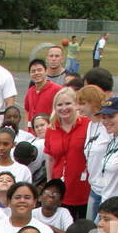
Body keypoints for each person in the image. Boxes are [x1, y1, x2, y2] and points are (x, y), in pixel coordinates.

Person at [44, 88, 90, 218]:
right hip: (61, 188)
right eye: (59, 105)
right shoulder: (51, 129)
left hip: (83, 186)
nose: (64, 108)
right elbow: (50, 159)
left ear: (76, 105)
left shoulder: (88, 125)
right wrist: (50, 183)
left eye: (68, 103)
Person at [23, 59, 60, 128]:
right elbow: (26, 109)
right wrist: (26, 128)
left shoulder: (56, 90)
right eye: (33, 71)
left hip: (49, 131)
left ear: (46, 72)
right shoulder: (30, 91)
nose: (36, 73)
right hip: (32, 132)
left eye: (39, 70)